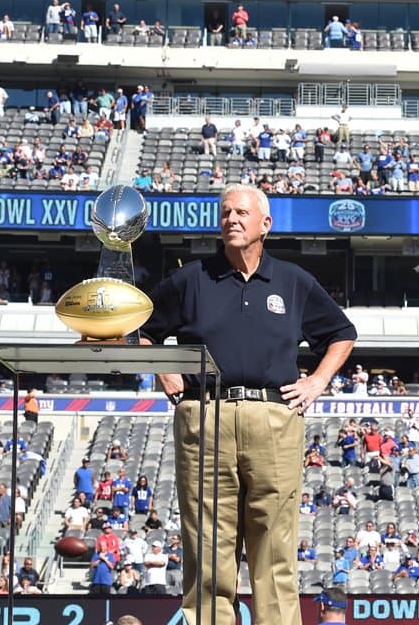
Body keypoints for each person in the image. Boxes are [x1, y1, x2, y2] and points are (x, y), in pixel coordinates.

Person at [140, 184, 357, 625]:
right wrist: (162, 369)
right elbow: (142, 327)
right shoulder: (193, 278)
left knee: (274, 548)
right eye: (225, 213)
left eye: (241, 212)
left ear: (265, 224)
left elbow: (341, 333)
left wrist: (316, 381)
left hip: (274, 415)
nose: (231, 220)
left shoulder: (292, 281)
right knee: (206, 548)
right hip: (203, 414)